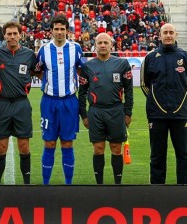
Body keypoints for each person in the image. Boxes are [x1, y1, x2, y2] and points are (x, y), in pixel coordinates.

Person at [78, 32, 133, 184]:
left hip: (116, 110)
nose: (102, 45)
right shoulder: (87, 66)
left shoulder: (122, 64)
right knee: (98, 149)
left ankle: (117, 184)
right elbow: (81, 93)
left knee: (116, 148)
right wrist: (84, 115)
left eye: (105, 43)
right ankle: (99, 185)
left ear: (111, 45)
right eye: (99, 43)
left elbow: (129, 91)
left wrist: (128, 113)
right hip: (95, 112)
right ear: (94, 45)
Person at [35, 14, 83, 185]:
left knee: (67, 143)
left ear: (67, 31)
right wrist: (47, 80)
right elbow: (36, 69)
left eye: (63, 29)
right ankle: (45, 185)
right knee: (49, 143)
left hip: (69, 102)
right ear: (51, 31)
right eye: (56, 29)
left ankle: (68, 184)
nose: (60, 32)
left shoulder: (76, 48)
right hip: (49, 102)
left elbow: (80, 69)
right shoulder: (43, 50)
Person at [0, 21, 37, 185]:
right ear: (4, 35)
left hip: (22, 104)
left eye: (14, 33)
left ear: (20, 35)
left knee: (24, 145)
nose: (12, 37)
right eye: (8, 34)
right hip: (2, 103)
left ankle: (26, 183)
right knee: (1, 146)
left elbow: (38, 72)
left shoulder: (29, 54)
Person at [140, 23, 187, 184]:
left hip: (182, 114)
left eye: (171, 32)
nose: (168, 35)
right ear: (159, 36)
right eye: (165, 32)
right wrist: (155, 102)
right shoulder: (151, 57)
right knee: (157, 155)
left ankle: (183, 190)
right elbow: (145, 84)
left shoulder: (185, 56)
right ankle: (157, 192)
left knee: (184, 154)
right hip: (156, 115)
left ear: (176, 35)